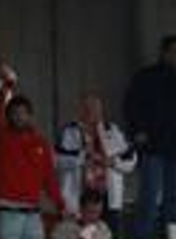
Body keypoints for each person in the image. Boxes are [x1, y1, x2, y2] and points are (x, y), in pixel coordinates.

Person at [0, 68, 62, 239]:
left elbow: (49, 178)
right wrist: (5, 88)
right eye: (15, 113)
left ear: (31, 116)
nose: (20, 117)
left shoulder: (41, 142)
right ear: (10, 117)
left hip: (33, 214)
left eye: (24, 113)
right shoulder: (3, 137)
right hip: (8, 212)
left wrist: (60, 204)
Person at [124, 35, 176, 239]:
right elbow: (131, 105)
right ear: (164, 52)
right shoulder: (146, 77)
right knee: (149, 197)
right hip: (153, 147)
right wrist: (137, 131)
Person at [55, 94, 136, 226]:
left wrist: (112, 162)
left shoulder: (113, 130)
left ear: (101, 110)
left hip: (108, 201)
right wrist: (82, 157)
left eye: (95, 108)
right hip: (78, 200)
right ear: (80, 110)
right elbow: (57, 160)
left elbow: (131, 159)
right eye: (87, 108)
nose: (91, 112)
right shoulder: (69, 131)